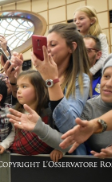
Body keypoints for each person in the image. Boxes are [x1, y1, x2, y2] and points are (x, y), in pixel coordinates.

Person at [30, 23, 91, 155]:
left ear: (71, 47)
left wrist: (51, 81)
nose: (48, 50)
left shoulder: (81, 80)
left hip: (69, 157)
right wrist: (13, 80)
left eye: (53, 45)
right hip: (38, 153)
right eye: (46, 46)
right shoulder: (41, 77)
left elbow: (70, 126)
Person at [7, 70, 62, 159]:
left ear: (38, 89)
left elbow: (58, 137)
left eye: (24, 86)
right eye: (18, 87)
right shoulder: (14, 112)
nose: (18, 91)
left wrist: (59, 149)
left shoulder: (49, 114)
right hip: (16, 162)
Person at [74, 6, 109, 75]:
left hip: (97, 73)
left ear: (92, 20)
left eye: (81, 18)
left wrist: (90, 72)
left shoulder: (101, 36)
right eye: (75, 20)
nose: (77, 22)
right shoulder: (76, 39)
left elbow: (104, 57)